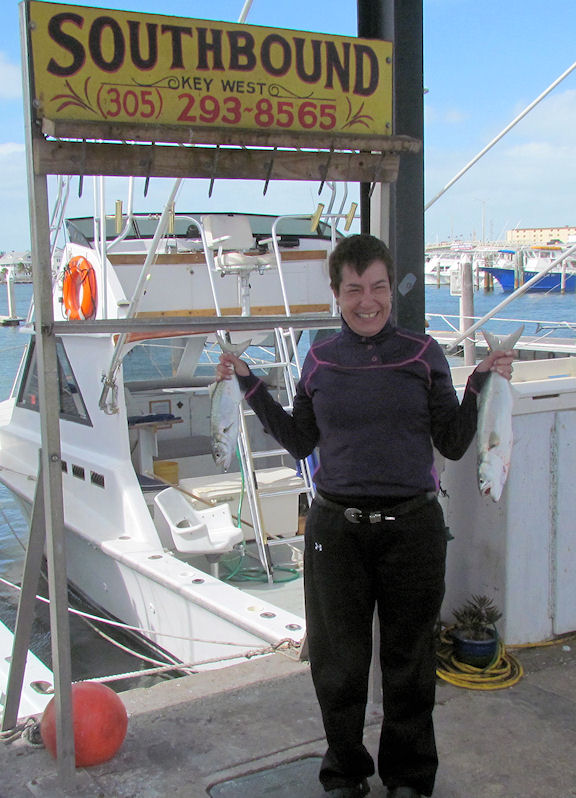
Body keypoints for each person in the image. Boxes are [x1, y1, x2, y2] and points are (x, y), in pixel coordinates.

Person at [216, 234, 515, 798]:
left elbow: (452, 443)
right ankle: (345, 775)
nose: (368, 300)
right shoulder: (320, 358)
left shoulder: (423, 353)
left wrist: (482, 381)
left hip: (414, 530)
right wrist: (249, 385)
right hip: (336, 531)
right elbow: (301, 441)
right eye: (354, 289)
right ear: (337, 294)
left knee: (410, 662)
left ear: (389, 289)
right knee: (339, 667)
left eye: (377, 286)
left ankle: (408, 779)